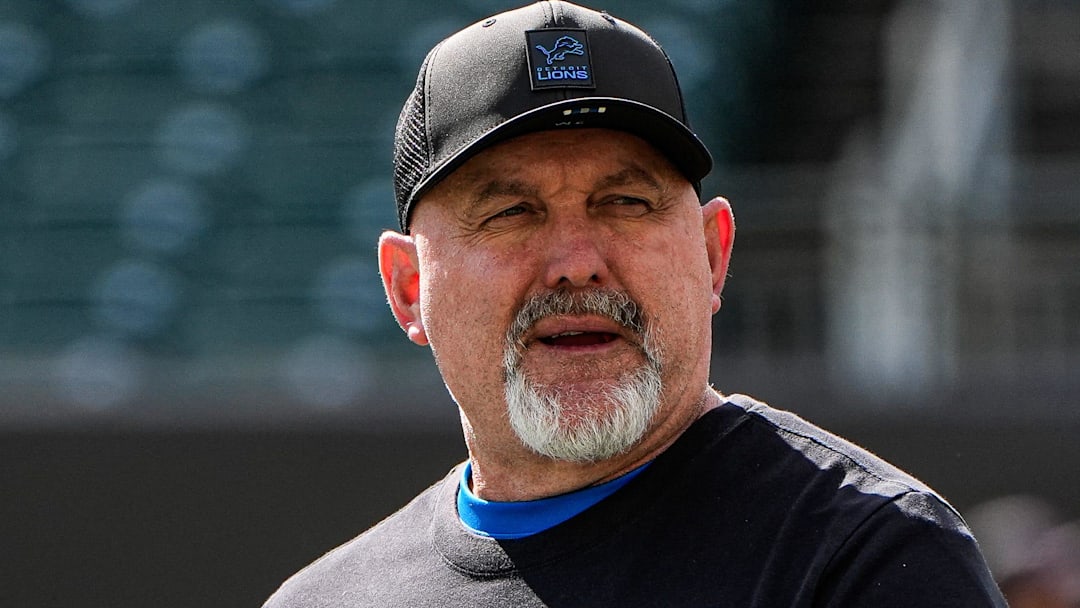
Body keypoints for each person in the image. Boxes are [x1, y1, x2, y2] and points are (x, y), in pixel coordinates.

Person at [263, 2, 1006, 606]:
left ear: (713, 255)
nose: (577, 263)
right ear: (408, 288)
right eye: (511, 213)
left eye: (624, 202)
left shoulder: (861, 559)